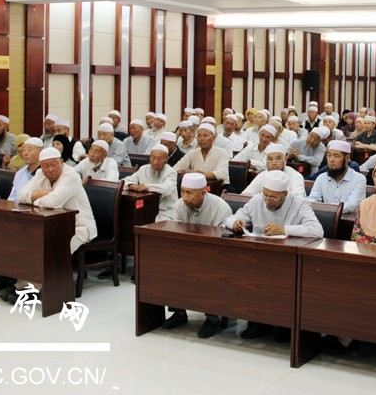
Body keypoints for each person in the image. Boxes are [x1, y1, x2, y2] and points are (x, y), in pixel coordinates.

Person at [224, 170, 323, 340]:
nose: (268, 201)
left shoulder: (299, 203)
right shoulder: (257, 200)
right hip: (259, 257)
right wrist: (235, 223)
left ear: (285, 194)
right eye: (266, 195)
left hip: (288, 260)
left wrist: (284, 229)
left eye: (273, 198)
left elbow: (317, 230)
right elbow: (230, 218)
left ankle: (283, 324)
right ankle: (257, 321)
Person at [162, 173, 234, 338]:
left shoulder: (220, 207)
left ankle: (212, 318)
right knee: (171, 265)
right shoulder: (180, 205)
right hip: (188, 252)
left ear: (203, 192)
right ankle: (179, 312)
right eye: (182, 191)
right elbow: (177, 232)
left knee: (210, 271)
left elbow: (223, 241)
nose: (184, 197)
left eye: (189, 193)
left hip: (215, 255)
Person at [17, 147, 97, 253]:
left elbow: (52, 203)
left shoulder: (71, 176)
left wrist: (34, 199)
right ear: (40, 166)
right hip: (54, 225)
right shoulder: (40, 173)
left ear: (62, 162)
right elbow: (20, 196)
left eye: (54, 165)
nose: (50, 170)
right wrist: (43, 193)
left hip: (78, 227)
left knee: (51, 249)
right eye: (45, 166)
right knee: (25, 238)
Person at [308, 140, 366, 214]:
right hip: (325, 218)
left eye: (336, 156)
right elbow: (312, 200)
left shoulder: (359, 179)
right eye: (329, 155)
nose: (331, 160)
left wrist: (324, 207)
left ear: (347, 158)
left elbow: (352, 206)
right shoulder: (321, 178)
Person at [123, 144, 178, 221]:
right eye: (153, 158)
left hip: (165, 212)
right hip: (146, 209)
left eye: (159, 159)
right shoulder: (143, 169)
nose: (155, 162)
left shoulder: (171, 172)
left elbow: (166, 189)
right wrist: (132, 186)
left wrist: (146, 187)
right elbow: (124, 181)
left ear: (166, 159)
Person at [8, 137, 43, 203]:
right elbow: (12, 197)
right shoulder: (20, 173)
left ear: (41, 151)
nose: (25, 154)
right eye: (23, 150)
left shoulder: (46, 173)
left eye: (29, 150)